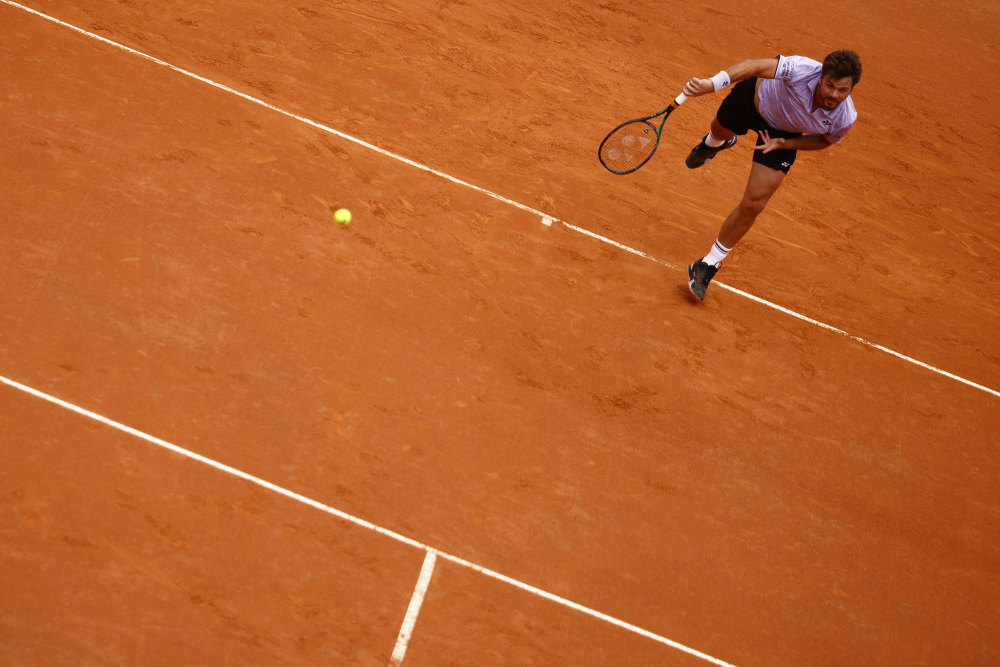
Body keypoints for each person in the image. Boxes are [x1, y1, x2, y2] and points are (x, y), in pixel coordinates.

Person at [681, 50, 862, 301]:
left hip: (782, 135)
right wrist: (712, 84)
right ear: (820, 77)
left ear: (851, 89)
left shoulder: (845, 117)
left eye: (843, 90)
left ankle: (708, 264)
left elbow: (825, 140)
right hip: (752, 101)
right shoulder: (800, 69)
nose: (834, 94)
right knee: (719, 129)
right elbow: (754, 65)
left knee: (754, 203)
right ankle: (714, 143)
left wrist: (786, 144)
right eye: (830, 85)